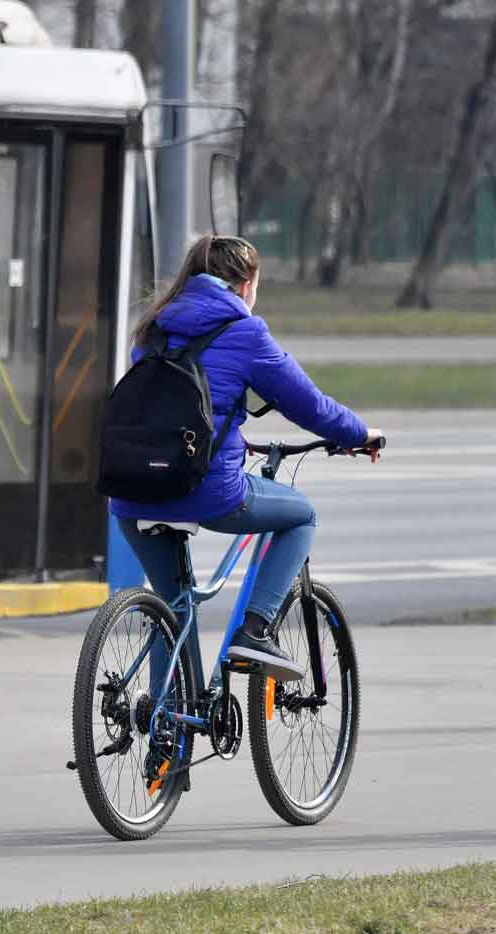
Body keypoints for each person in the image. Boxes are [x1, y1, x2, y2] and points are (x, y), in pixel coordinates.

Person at [110, 235, 380, 686]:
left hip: (132, 490)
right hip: (206, 491)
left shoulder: (153, 328)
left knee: (172, 606)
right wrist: (360, 434)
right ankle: (254, 631)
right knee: (301, 517)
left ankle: (167, 738)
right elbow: (310, 406)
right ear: (244, 285)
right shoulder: (245, 333)